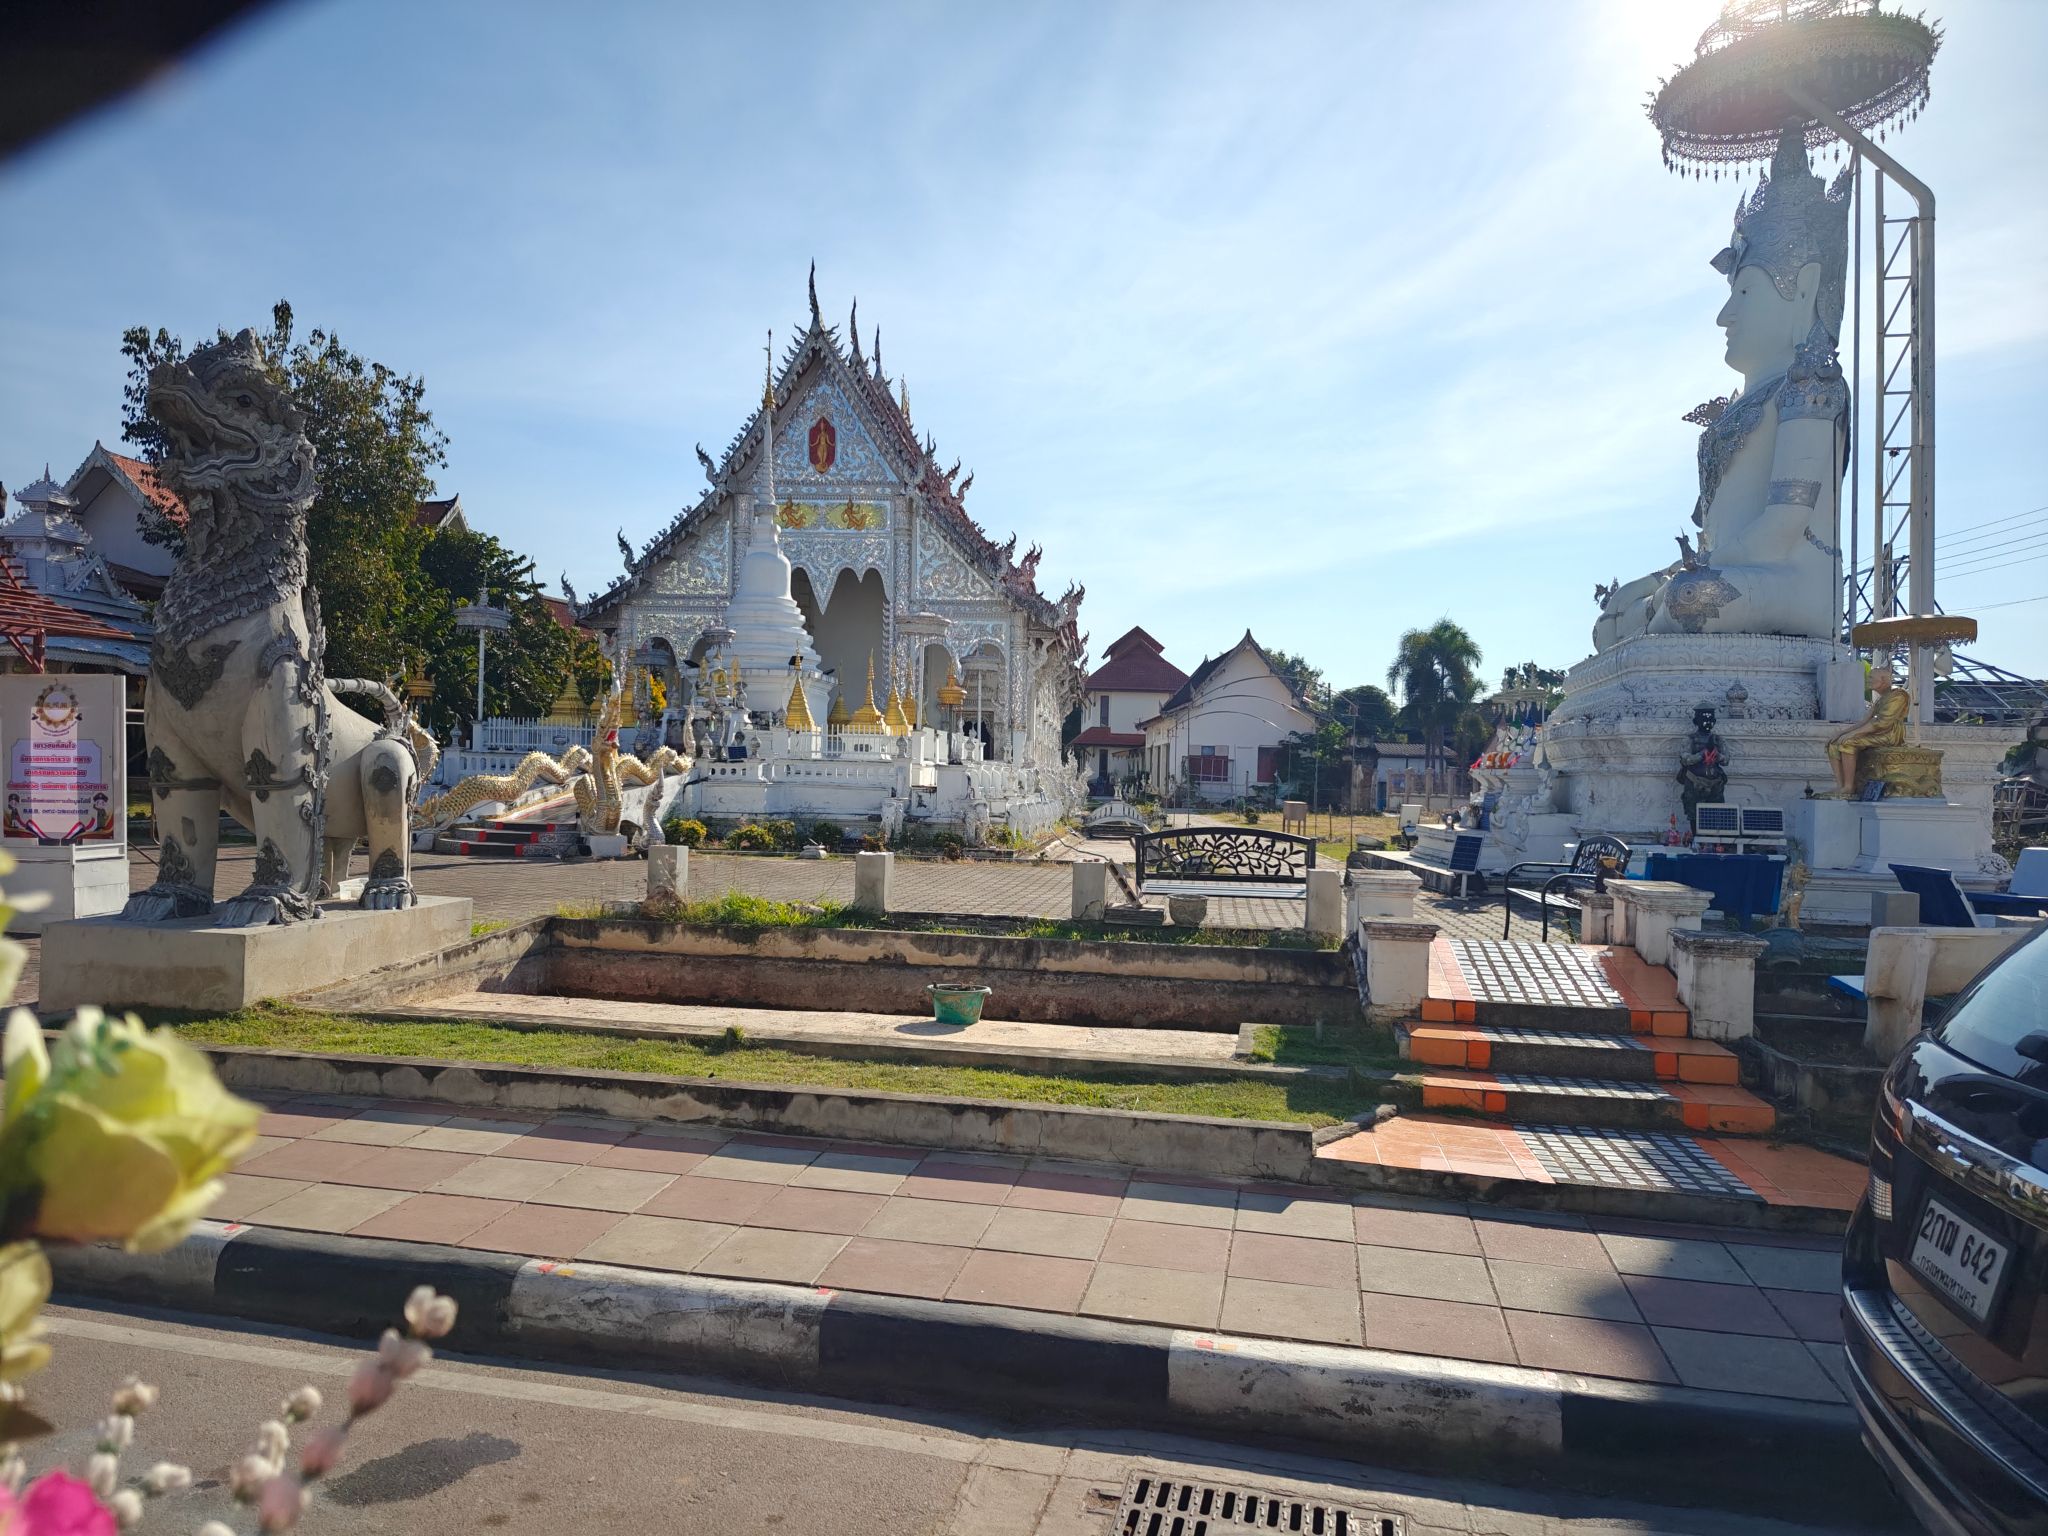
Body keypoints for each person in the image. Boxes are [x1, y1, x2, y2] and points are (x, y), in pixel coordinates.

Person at [1823, 666, 1909, 796]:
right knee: (1833, 744)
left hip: (1889, 734)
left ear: (1883, 680)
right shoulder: (1880, 699)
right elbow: (1864, 722)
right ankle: (1841, 786)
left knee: (1848, 743)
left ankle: (1849, 787)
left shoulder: (1898, 695)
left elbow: (1881, 722)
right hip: (1876, 731)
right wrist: (1841, 734)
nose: (1868, 680)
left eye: (1871, 678)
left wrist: (1852, 734)